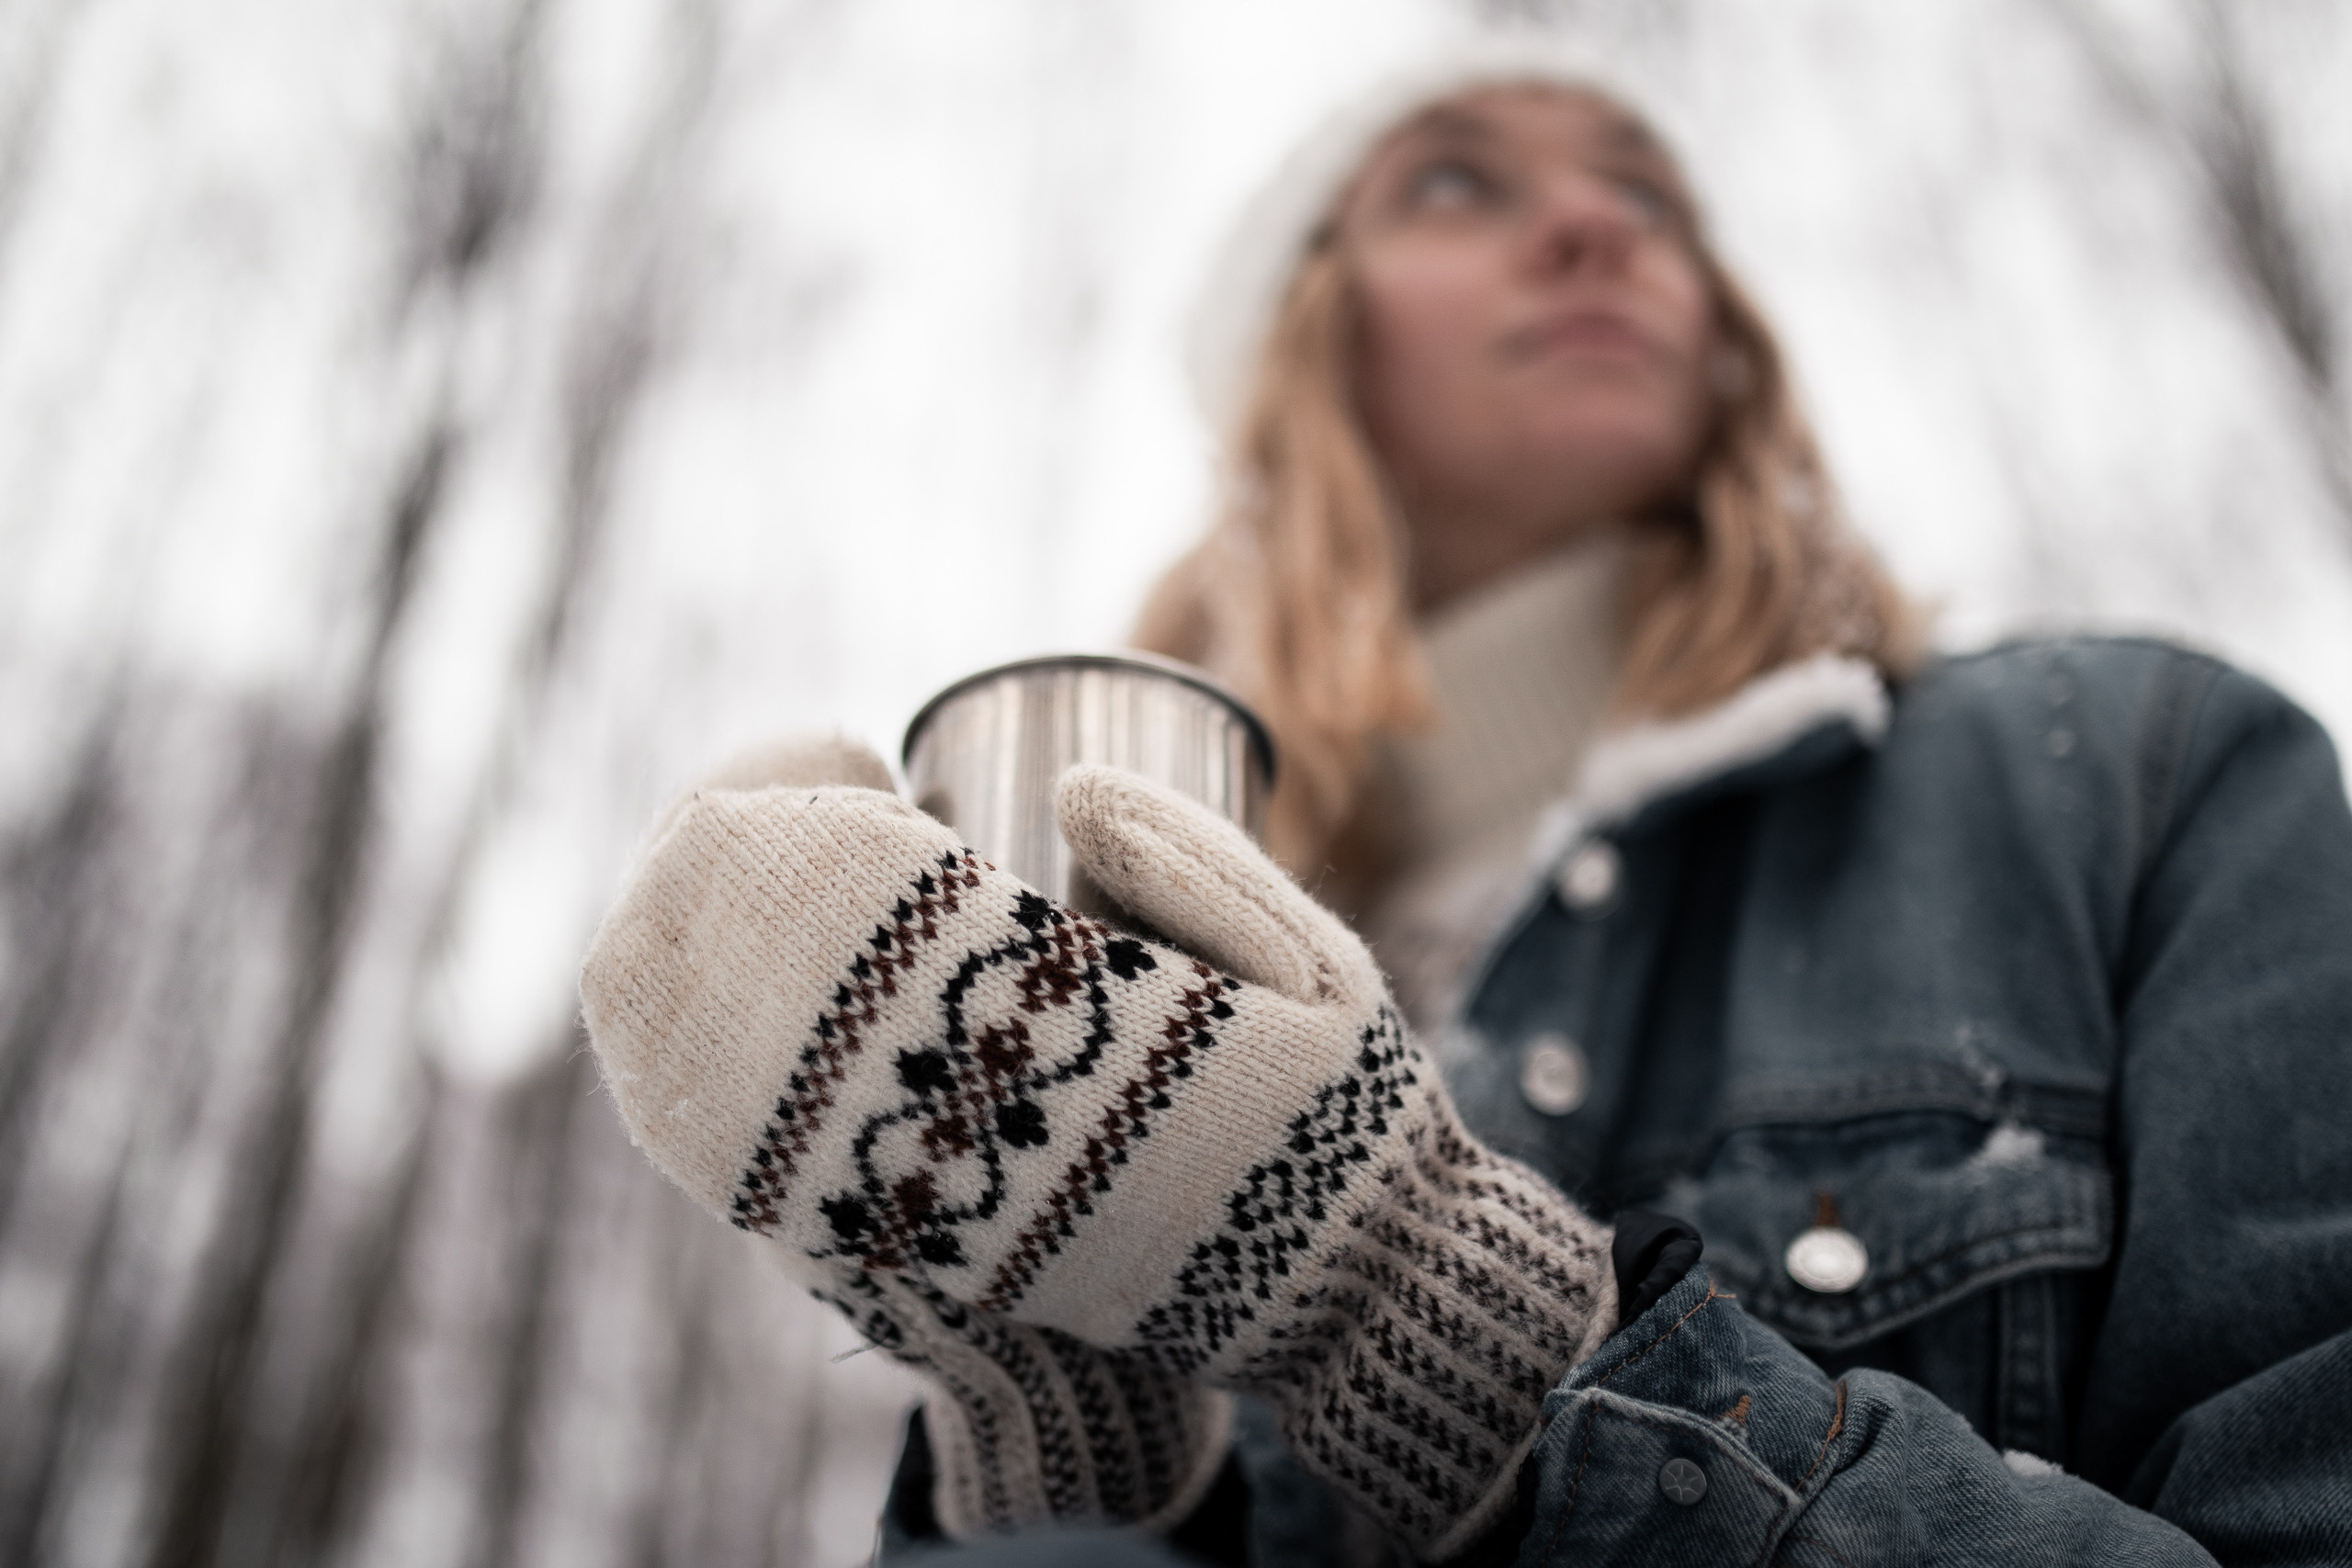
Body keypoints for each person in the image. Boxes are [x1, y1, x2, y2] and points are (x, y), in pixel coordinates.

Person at [578, 45, 2352, 1568]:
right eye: (1455, 183)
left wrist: (1457, 1328)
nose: (1598, 226)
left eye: (1648, 193)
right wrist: (1068, 1468)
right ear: (1306, 349)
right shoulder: (1142, 964)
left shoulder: (2136, 776)